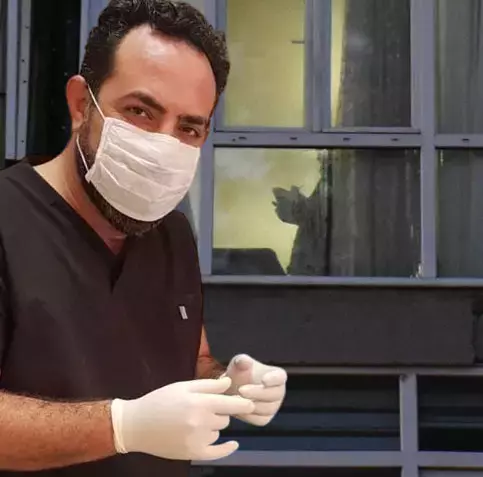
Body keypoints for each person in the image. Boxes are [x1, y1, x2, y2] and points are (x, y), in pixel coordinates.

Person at [0, 1, 288, 475]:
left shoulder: (170, 233)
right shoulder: (9, 221)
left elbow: (187, 355)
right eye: (140, 112)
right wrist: (122, 426)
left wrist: (229, 381)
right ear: (80, 104)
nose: (162, 144)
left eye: (189, 127)